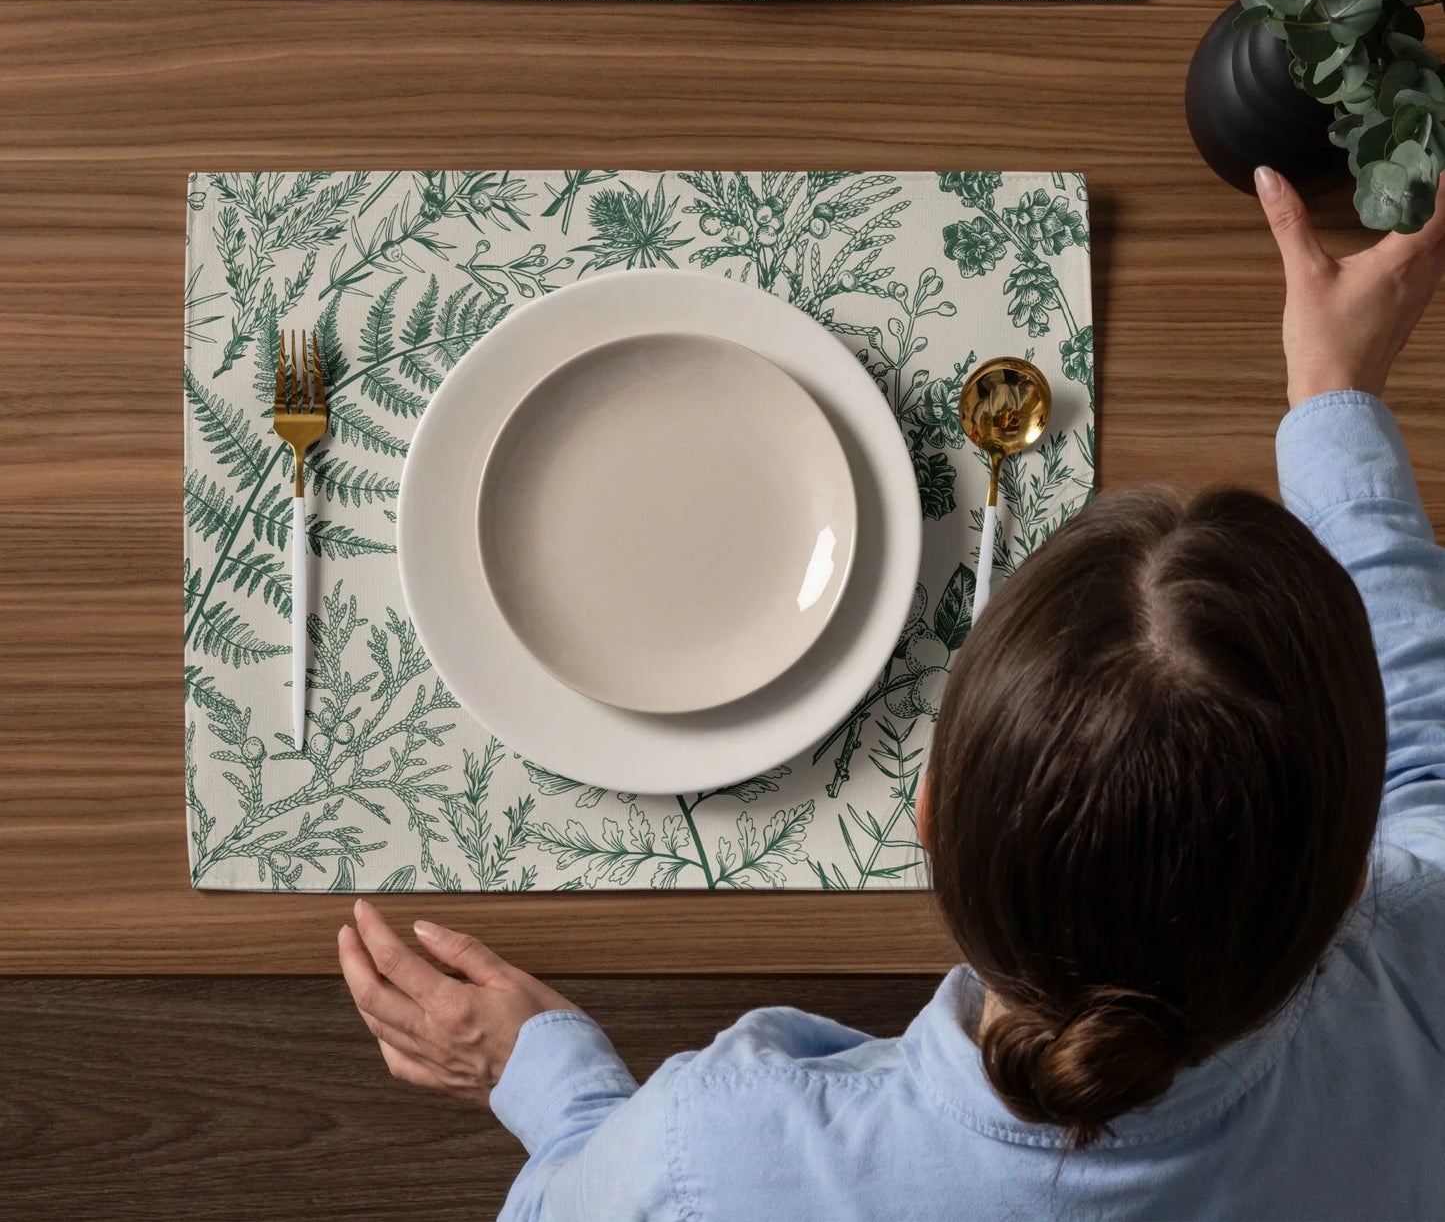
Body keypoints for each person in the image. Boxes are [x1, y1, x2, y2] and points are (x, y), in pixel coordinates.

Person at [337, 167, 1445, 1220]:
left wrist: (550, 1083)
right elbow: (1424, 764)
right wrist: (1332, 398)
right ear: (1349, 880)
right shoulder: (1418, 974)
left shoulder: (712, 1157)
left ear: (926, 816)